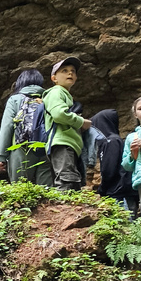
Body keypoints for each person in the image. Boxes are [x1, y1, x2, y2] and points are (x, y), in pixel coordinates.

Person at [42, 57, 91, 192]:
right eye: (64, 71)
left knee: (71, 181)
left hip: (67, 143)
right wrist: (81, 122)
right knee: (66, 180)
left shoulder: (65, 94)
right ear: (54, 78)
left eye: (73, 71)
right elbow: (59, 114)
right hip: (62, 142)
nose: (70, 74)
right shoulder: (56, 91)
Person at [0, 69, 46, 184]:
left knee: (20, 189)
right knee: (47, 191)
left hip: (21, 148)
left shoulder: (15, 99)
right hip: (46, 148)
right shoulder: (48, 98)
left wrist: (0, 156)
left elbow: (6, 126)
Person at [87, 109, 138, 214]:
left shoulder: (111, 141)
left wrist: (102, 188)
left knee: (127, 223)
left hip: (120, 191)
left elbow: (109, 169)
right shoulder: (110, 141)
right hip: (119, 190)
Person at [122, 94, 141, 225]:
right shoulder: (131, 137)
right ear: (135, 114)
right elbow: (126, 166)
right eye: (140, 108)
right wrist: (132, 154)